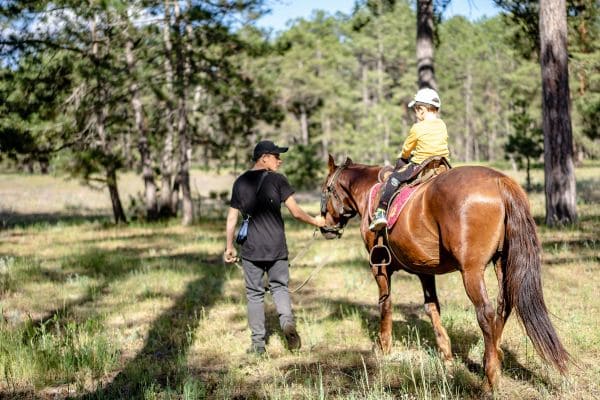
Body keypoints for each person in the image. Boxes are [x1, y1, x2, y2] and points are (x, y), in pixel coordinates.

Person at [223, 140, 326, 355]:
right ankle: (287, 324)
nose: (280, 160)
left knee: (254, 295)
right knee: (280, 288)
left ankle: (258, 345)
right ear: (264, 158)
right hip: (277, 247)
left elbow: (232, 217)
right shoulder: (278, 180)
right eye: (276, 156)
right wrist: (316, 222)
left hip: (251, 249)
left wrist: (229, 246)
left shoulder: (240, 183)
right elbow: (296, 212)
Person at [369, 88, 450, 231]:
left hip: (421, 165)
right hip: (443, 164)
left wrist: (402, 160)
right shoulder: (442, 124)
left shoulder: (417, 128)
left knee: (393, 179)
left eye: (416, 109)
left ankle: (380, 212)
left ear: (422, 110)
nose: (415, 113)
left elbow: (406, 151)